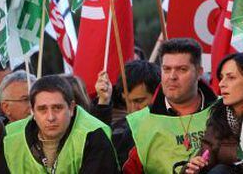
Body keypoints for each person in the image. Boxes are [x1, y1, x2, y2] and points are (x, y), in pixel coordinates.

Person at [123, 38, 217, 174]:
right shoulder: (137, 124)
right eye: (166, 69)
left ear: (199, 72)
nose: (172, 76)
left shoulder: (227, 110)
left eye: (182, 69)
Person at [0, 75, 119, 173]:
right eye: (42, 109)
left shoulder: (93, 134)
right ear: (32, 112)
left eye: (57, 108)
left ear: (71, 108)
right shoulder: (10, 137)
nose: (50, 117)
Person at [185, 53, 243, 174]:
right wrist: (194, 167)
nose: (221, 83)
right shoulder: (219, 117)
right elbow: (206, 155)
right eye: (221, 77)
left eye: (231, 77)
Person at [96, 60, 160, 166]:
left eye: (139, 101)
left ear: (156, 94)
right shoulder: (120, 131)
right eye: (127, 101)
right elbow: (102, 156)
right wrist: (103, 103)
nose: (132, 108)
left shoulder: (172, 123)